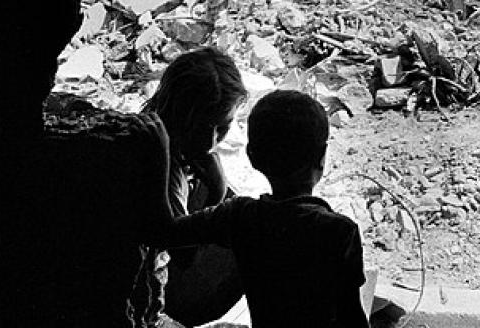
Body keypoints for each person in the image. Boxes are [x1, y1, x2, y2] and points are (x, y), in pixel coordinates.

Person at [140, 89, 374, 328]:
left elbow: (166, 232)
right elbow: (351, 315)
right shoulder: (340, 232)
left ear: (252, 156)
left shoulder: (241, 216)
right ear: (323, 157)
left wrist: (161, 149)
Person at [135, 46, 249, 326]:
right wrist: (217, 192)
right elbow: (182, 253)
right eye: (204, 127)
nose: (212, 142)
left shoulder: (159, 132)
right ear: (181, 116)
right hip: (167, 285)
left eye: (223, 128)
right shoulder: (166, 163)